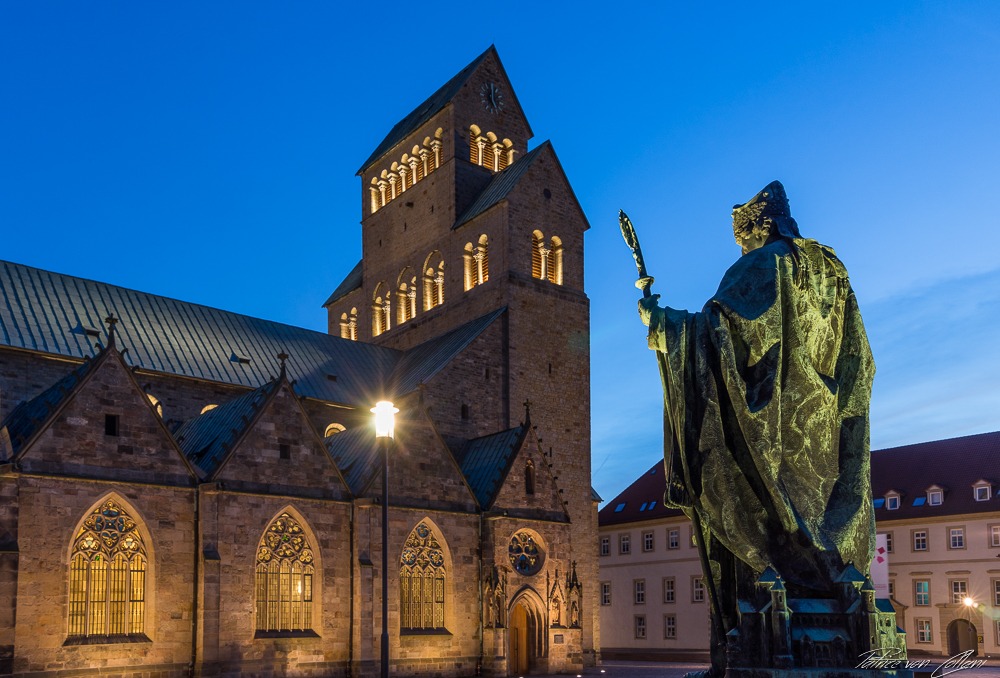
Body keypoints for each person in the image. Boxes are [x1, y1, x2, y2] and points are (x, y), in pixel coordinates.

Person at [638, 181, 875, 672]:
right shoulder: (832, 270)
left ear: (759, 226)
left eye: (742, 236)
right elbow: (859, 360)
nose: (740, 247)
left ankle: (748, 655)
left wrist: (663, 325)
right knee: (818, 552)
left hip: (769, 451)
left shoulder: (762, 265)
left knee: (746, 523)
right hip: (823, 447)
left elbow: (722, 335)